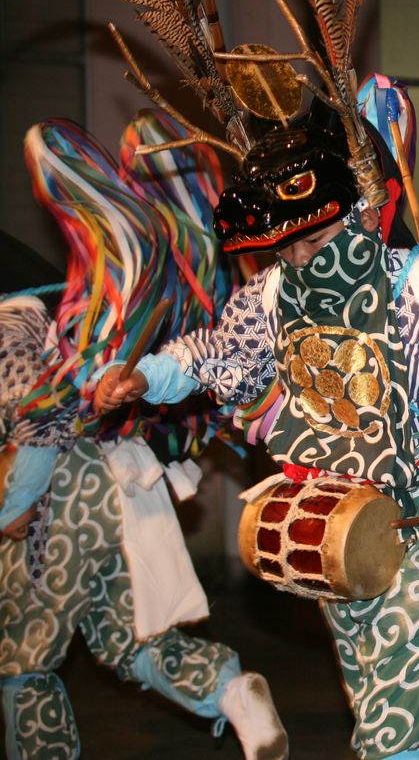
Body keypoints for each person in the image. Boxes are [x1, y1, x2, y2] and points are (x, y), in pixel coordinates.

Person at [96, 196, 419, 760]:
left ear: (365, 217)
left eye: (315, 241)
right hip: (336, 538)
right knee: (392, 726)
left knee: (390, 741)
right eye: (286, 246)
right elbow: (221, 353)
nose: (300, 257)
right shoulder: (275, 291)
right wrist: (148, 375)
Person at [0, 294, 287, 760]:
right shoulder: (47, 324)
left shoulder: (9, 329)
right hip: (113, 489)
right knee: (128, 637)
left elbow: (40, 424)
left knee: (24, 656)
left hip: (63, 496)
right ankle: (229, 691)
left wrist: (15, 504)